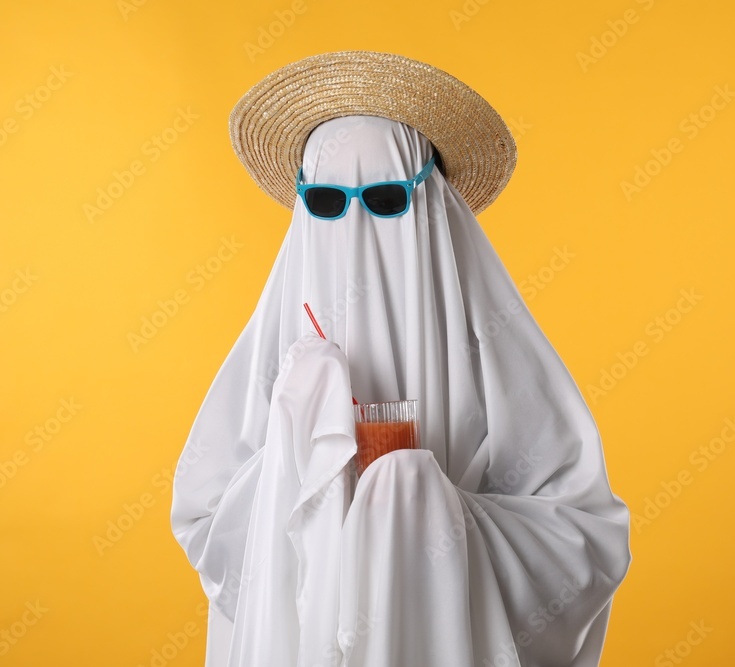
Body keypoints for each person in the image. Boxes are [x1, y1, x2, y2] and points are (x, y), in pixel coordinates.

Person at [170, 51, 631, 667]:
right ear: (304, 205)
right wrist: (298, 456)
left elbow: (584, 539)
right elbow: (204, 521)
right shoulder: (276, 353)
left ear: (430, 200)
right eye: (329, 204)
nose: (355, 225)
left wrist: (425, 513)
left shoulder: (489, 337)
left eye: (386, 199)